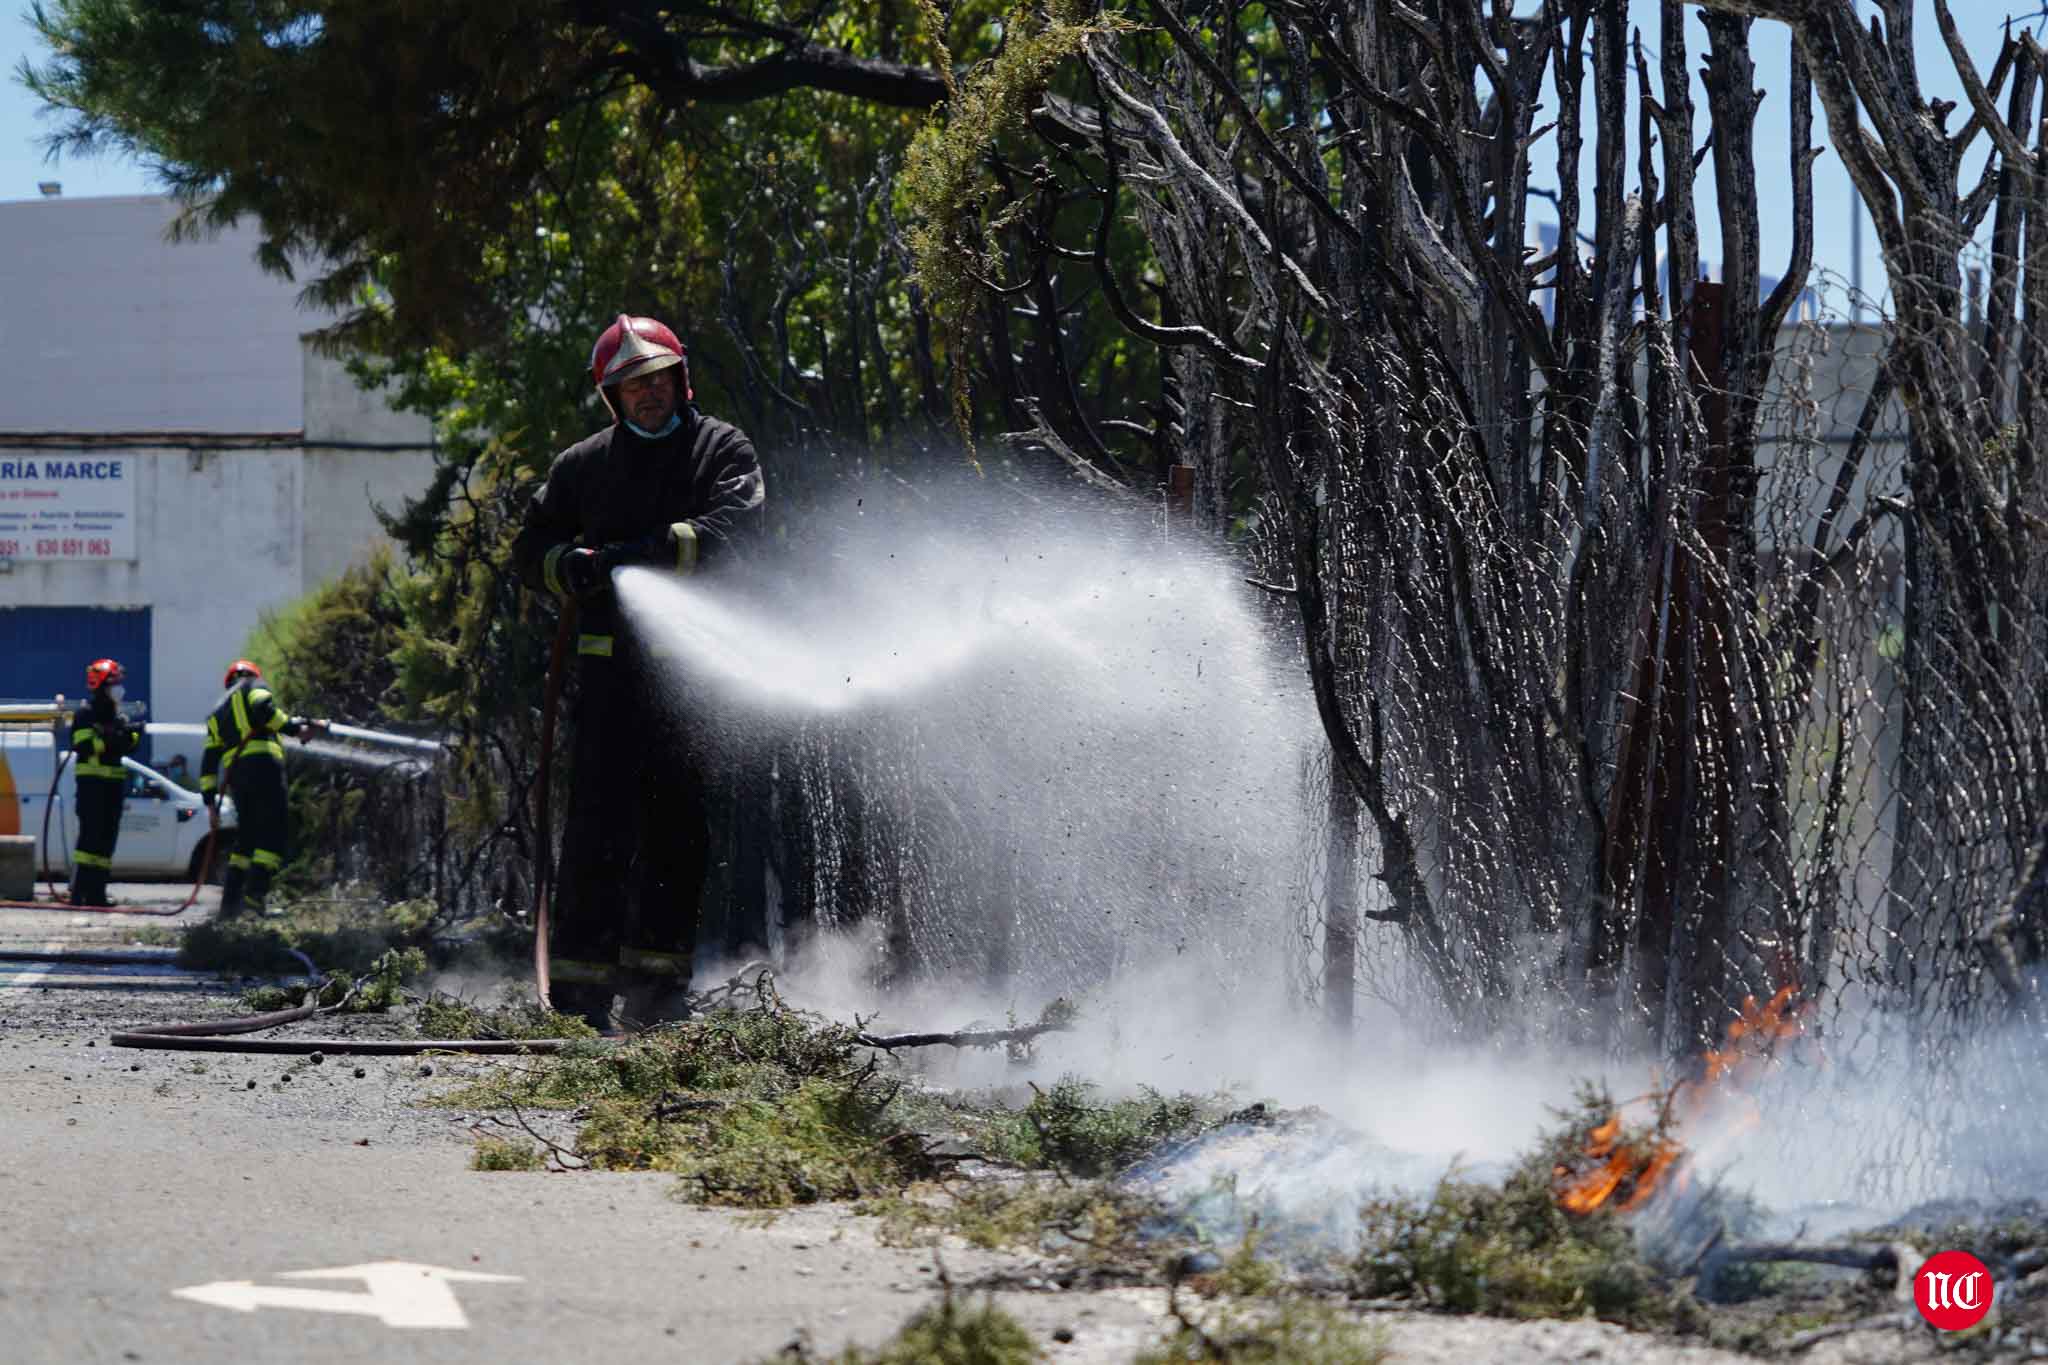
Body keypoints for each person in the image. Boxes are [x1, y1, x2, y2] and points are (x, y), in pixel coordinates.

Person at [511, 313, 766, 1030]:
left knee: (677, 833)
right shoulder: (583, 466)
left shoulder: (720, 448)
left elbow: (736, 528)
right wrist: (569, 567)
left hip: (688, 684)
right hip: (609, 687)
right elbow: (530, 546)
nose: (647, 395)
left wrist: (641, 552)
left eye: (657, 380)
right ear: (612, 399)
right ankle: (579, 998)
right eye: (631, 387)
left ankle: (657, 993)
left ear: (680, 380)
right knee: (594, 834)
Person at [199, 659, 328, 916]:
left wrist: (210, 804)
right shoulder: (253, 687)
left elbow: (208, 763)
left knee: (246, 840)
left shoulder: (216, 714)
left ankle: (230, 905)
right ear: (250, 676)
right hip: (264, 768)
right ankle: (255, 902)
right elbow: (263, 709)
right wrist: (296, 728)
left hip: (238, 777)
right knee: (273, 835)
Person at [68, 657, 140, 907]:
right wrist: (114, 741)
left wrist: (119, 738)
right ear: (100, 686)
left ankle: (97, 894)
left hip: (112, 791)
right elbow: (84, 745)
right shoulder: (85, 714)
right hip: (91, 790)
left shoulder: (117, 718)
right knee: (88, 842)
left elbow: (129, 744)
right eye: (114, 683)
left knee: (106, 843)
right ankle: (78, 893)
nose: (119, 688)